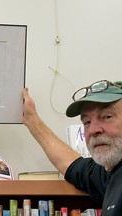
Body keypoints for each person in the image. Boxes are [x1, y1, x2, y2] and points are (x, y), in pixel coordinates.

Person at [22, 80, 122, 216]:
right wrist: (31, 120)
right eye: (87, 122)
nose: (93, 130)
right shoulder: (111, 174)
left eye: (107, 117)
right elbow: (74, 167)